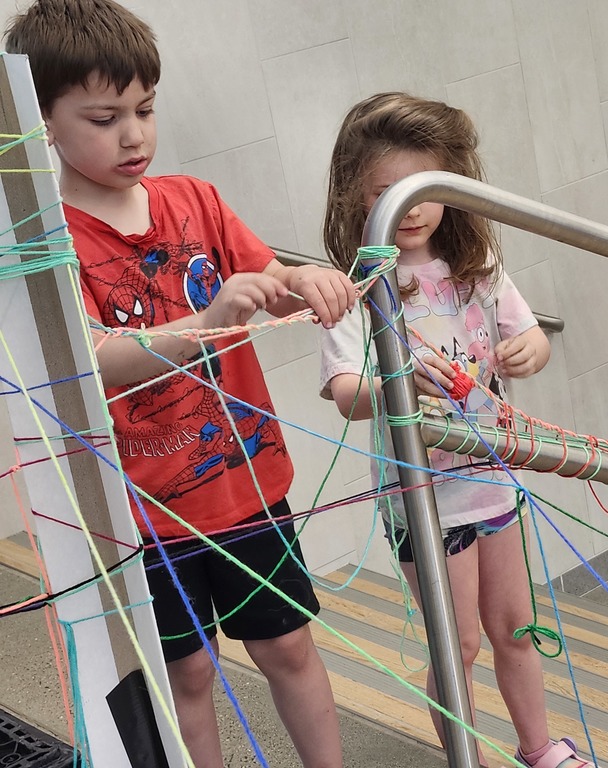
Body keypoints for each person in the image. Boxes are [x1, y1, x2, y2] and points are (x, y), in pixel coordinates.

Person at [5, 2, 356, 766]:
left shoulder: (193, 200)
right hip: (144, 511)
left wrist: (304, 279)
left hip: (249, 488)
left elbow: (267, 277)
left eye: (145, 109)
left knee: (290, 647)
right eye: (103, 117)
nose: (133, 134)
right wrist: (207, 321)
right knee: (187, 673)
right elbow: (88, 358)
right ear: (43, 124)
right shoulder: (47, 241)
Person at [319, 92, 593, 768]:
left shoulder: (479, 270)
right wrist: (396, 381)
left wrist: (531, 348)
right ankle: (465, 757)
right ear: (357, 193)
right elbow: (344, 392)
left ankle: (538, 746)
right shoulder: (358, 287)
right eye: (388, 191)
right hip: (422, 498)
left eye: (424, 189)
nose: (409, 208)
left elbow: (526, 334)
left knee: (516, 629)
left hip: (492, 483)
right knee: (459, 643)